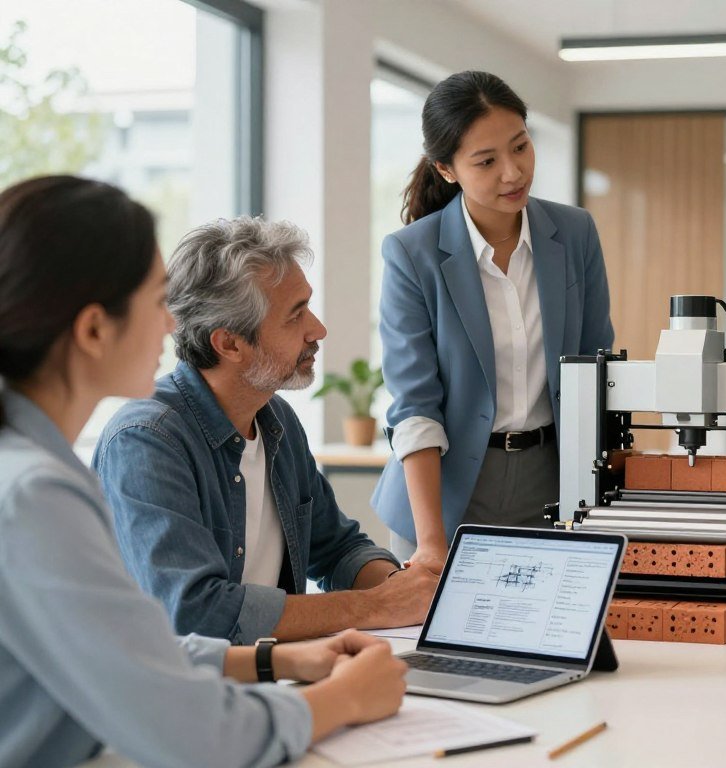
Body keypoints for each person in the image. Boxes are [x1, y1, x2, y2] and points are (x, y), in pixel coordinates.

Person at [0, 175, 407, 767]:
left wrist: (278, 659)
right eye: (154, 301)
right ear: (93, 329)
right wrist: (341, 700)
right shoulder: (39, 495)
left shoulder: (33, 474)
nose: (170, 326)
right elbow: (192, 730)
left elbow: (133, 651)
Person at [94, 217, 438, 643]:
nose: (319, 330)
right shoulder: (146, 440)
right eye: (296, 317)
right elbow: (195, 613)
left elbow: (337, 549)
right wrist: (376, 606)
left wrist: (406, 589)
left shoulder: (276, 421)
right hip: (184, 698)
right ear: (230, 344)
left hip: (273, 676)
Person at [372, 70, 614, 570]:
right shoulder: (411, 254)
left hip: (551, 485)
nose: (513, 172)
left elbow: (596, 368)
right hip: (444, 491)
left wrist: (604, 498)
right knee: (432, 647)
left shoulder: (574, 234)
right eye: (486, 161)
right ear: (446, 169)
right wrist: (431, 540)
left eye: (521, 147)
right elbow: (415, 407)